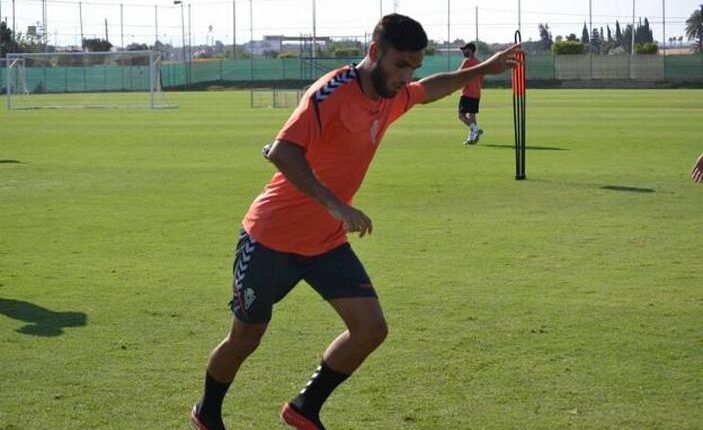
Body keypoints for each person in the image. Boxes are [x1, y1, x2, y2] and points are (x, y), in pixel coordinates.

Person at [190, 14, 520, 430]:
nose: (407, 75)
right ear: (374, 52)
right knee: (246, 338)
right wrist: (335, 205)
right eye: (400, 64)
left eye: (414, 65)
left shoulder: (391, 93)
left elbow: (424, 91)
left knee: (370, 330)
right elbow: (281, 151)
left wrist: (482, 70)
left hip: (325, 244)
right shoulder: (330, 93)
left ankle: (304, 408)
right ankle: (207, 413)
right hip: (271, 239)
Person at [457, 42, 485, 145]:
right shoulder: (479, 63)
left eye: (465, 49)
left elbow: (458, 74)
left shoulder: (467, 61)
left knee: (461, 116)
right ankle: (472, 138)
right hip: (476, 93)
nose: (463, 51)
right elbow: (482, 78)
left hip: (467, 93)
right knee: (472, 116)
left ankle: (476, 129)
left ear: (471, 50)